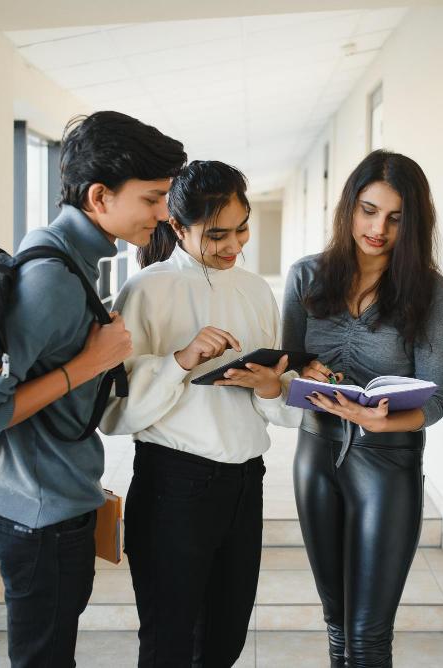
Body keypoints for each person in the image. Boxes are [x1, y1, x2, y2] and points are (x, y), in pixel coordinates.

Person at [0, 111, 186, 667]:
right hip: (39, 521)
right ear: (100, 196)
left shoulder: (66, 256)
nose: (164, 213)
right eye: (152, 199)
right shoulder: (51, 277)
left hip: (48, 509)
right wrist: (90, 363)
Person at [99, 160, 302, 668]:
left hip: (245, 484)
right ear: (176, 226)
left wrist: (272, 387)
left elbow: (279, 412)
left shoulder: (256, 290)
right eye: (217, 234)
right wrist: (181, 361)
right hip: (174, 487)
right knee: (169, 644)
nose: (234, 245)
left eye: (241, 229)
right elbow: (113, 414)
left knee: (224, 642)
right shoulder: (147, 288)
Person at [282, 149, 443, 667]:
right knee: (336, 628)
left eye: (396, 217)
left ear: (414, 222)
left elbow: (438, 400)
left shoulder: (431, 293)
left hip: (387, 462)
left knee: (368, 639)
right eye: (368, 210)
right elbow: (286, 363)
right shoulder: (305, 277)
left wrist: (385, 419)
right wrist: (298, 372)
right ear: (348, 208)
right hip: (315, 455)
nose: (378, 227)